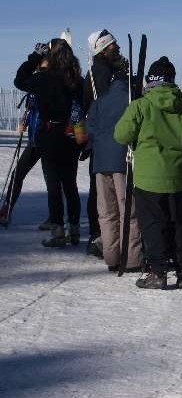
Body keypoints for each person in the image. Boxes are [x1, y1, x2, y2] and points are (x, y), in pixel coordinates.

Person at [114, 57, 182, 289]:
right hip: (178, 177)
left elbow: (121, 135)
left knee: (153, 225)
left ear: (150, 80)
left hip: (148, 178)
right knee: (179, 224)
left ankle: (158, 272)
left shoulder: (140, 106)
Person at [14, 39, 84, 247]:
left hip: (50, 133)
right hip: (71, 134)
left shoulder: (44, 77)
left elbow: (19, 80)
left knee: (53, 184)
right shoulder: (75, 79)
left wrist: (35, 56)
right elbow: (82, 106)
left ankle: (58, 229)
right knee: (70, 184)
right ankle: (74, 228)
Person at [86, 70, 143, 272]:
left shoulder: (100, 100)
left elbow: (90, 129)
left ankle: (111, 257)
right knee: (129, 211)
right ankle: (131, 259)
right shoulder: (133, 100)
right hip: (124, 160)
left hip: (101, 162)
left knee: (106, 212)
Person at [84, 29, 126, 257]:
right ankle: (102, 238)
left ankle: (106, 240)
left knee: (104, 195)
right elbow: (105, 108)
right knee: (108, 197)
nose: (116, 47)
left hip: (102, 141)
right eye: (112, 45)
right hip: (109, 141)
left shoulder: (106, 70)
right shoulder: (101, 73)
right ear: (102, 49)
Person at [0, 95, 49, 228]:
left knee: (52, 181)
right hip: (34, 142)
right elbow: (29, 113)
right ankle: (6, 209)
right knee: (17, 173)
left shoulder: (51, 89)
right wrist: (23, 123)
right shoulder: (32, 94)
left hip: (49, 142)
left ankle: (56, 217)